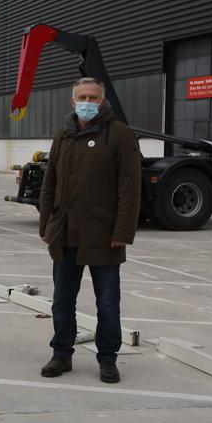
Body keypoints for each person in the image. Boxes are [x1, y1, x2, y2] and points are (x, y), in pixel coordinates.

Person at [38, 77, 141, 384]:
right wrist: (47, 223)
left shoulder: (121, 135)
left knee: (107, 303)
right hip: (65, 232)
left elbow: (130, 189)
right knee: (62, 300)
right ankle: (61, 354)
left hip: (104, 235)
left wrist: (123, 231)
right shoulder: (63, 135)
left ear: (102, 101)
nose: (86, 102)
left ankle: (108, 358)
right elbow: (49, 184)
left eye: (92, 97)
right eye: (81, 96)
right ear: (73, 101)